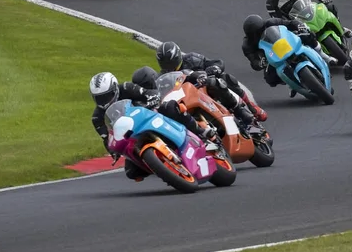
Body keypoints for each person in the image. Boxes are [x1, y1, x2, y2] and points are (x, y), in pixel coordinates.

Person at [90, 71, 218, 181]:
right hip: (132, 135)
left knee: (170, 107)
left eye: (106, 96)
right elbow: (107, 138)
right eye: (99, 98)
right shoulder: (97, 118)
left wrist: (152, 98)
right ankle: (163, 167)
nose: (103, 101)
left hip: (149, 116)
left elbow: (149, 93)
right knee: (132, 172)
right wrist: (113, 151)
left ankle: (201, 131)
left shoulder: (126, 88)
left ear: (115, 88)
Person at [154, 42, 258, 127]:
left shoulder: (191, 59)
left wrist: (213, 69)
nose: (168, 65)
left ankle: (241, 109)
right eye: (165, 63)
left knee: (223, 79)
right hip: (188, 100)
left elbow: (217, 62)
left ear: (177, 57)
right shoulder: (163, 77)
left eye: (170, 62)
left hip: (205, 88)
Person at [241, 14, 337, 97]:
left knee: (307, 35)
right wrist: (260, 63)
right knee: (270, 79)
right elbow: (253, 61)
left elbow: (290, 23)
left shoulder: (270, 22)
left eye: (260, 30)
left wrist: (300, 25)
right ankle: (291, 83)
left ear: (263, 25)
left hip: (288, 43)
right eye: (254, 34)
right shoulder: (247, 45)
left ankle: (324, 56)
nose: (258, 34)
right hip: (273, 57)